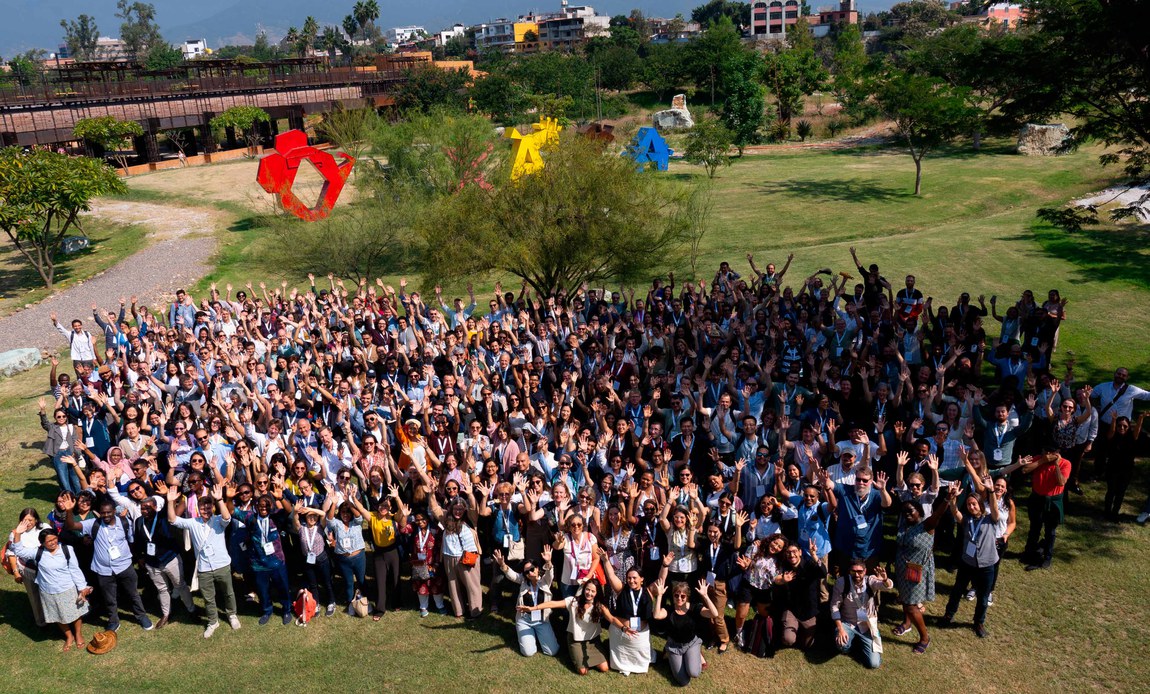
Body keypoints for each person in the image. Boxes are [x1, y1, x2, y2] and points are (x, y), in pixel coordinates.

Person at [60, 494, 153, 632]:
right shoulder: (94, 524)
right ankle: (114, 621)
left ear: (114, 511)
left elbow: (131, 542)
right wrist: (68, 511)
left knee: (133, 594)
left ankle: (141, 616)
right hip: (103, 570)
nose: (106, 515)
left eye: (109, 512)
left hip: (124, 566)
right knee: (109, 598)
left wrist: (137, 558)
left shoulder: (124, 523)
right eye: (103, 513)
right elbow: (71, 525)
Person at [166, 483, 241, 637]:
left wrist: (220, 499)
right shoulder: (193, 523)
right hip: (204, 567)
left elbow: (227, 517)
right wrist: (170, 502)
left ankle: (232, 615)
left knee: (228, 593)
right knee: (208, 597)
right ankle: (213, 621)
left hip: (222, 564)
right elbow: (172, 520)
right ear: (198, 510)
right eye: (202, 509)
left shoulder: (219, 519)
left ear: (212, 508)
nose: (205, 511)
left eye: (208, 508)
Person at [9, 520, 91, 651]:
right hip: (48, 591)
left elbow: (75, 569)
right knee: (57, 615)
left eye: (54, 539)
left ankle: (78, 634)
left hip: (67, 588)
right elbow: (19, 551)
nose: (53, 542)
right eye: (49, 541)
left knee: (75, 613)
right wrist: (18, 534)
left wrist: (82, 587)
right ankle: (69, 636)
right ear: (42, 543)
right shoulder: (38, 552)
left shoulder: (67, 549)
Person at [892, 490, 953, 653]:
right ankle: (906, 624)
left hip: (917, 571)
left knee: (912, 605)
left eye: (910, 511)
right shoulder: (905, 524)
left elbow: (939, 514)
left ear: (919, 511)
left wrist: (947, 498)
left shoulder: (927, 525)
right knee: (905, 599)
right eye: (904, 512)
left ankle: (925, 637)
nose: (906, 515)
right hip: (902, 567)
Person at [942, 484, 1001, 638]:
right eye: (968, 504)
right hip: (967, 563)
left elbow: (995, 508)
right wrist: (953, 498)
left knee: (983, 596)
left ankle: (978, 623)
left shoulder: (990, 519)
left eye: (974, 504)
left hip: (987, 565)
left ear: (980, 504)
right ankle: (948, 615)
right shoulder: (966, 520)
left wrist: (991, 491)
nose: (971, 506)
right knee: (957, 591)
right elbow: (955, 511)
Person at [133, 488, 193, 629]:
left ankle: (191, 609)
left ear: (155, 507)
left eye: (148, 508)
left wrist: (168, 498)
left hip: (170, 559)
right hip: (152, 563)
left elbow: (169, 510)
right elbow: (138, 541)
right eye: (142, 508)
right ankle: (166, 614)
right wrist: (139, 557)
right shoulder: (138, 522)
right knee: (162, 589)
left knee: (181, 585)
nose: (145, 511)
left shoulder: (162, 517)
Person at [529, 575, 611, 675]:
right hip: (576, 640)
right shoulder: (573, 601)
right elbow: (553, 604)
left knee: (604, 668)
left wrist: (624, 628)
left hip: (592, 640)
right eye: (587, 589)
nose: (589, 593)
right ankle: (576, 655)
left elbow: (612, 619)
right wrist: (533, 608)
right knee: (583, 671)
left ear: (597, 592)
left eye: (593, 591)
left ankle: (587, 658)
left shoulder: (599, 606)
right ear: (584, 589)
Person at [650, 578, 720, 686]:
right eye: (676, 595)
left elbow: (714, 614)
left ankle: (696, 654)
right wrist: (659, 596)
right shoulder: (669, 610)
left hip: (691, 643)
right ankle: (668, 653)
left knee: (694, 672)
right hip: (674, 646)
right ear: (673, 596)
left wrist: (705, 596)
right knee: (683, 681)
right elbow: (656, 615)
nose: (679, 598)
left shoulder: (694, 608)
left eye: (683, 596)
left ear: (687, 597)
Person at [496, 545, 559, 657]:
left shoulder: (545, 581)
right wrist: (502, 564)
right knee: (528, 652)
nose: (529, 573)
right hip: (525, 620)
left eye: (531, 569)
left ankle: (539, 636)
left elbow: (550, 573)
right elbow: (512, 575)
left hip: (541, 620)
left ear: (537, 568)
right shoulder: (524, 581)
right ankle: (528, 635)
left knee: (552, 651)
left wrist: (548, 562)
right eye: (526, 572)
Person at [1017, 444, 1072, 571]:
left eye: (1051, 452)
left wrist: (1056, 465)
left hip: (1053, 502)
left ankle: (1047, 557)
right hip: (1037, 499)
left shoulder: (1065, 463)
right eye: (1046, 451)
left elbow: (1061, 482)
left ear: (1058, 452)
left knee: (1050, 531)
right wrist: (1042, 461)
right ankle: (1029, 553)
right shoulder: (1038, 459)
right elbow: (1024, 470)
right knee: (1034, 528)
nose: (1048, 454)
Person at [830, 559, 893, 668]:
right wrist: (840, 629)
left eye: (860, 571)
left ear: (865, 571)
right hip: (848, 623)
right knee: (842, 645)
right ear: (849, 571)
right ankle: (850, 645)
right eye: (854, 571)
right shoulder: (841, 582)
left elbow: (888, 586)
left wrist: (885, 579)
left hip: (866, 625)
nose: (857, 575)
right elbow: (834, 607)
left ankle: (860, 643)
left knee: (874, 664)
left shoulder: (870, 580)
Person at [602, 553, 656, 676]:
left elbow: (661, 580)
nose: (631, 580)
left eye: (634, 578)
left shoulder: (648, 591)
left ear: (642, 579)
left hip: (640, 635)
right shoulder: (621, 589)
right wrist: (606, 560)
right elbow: (611, 576)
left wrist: (665, 565)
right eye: (629, 578)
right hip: (621, 633)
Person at [772, 538, 827, 651]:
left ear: (800, 552)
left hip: (809, 611)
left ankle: (802, 631)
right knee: (788, 640)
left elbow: (823, 572)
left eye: (794, 552)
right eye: (788, 552)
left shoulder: (810, 564)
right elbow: (775, 581)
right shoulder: (784, 566)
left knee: (807, 645)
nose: (792, 555)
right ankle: (789, 629)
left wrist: (814, 555)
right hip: (792, 609)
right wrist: (783, 580)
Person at [367, 486, 408, 619]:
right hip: (379, 553)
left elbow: (403, 513)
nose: (384, 507)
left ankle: (397, 602)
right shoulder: (372, 516)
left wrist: (397, 497)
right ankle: (379, 609)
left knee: (396, 578)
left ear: (390, 508)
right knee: (380, 581)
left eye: (386, 506)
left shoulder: (393, 517)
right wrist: (351, 500)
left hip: (393, 552)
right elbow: (361, 510)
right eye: (381, 505)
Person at [8, 507, 52, 627]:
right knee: (34, 595)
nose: (27, 523)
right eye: (24, 520)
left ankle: (54, 617)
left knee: (50, 592)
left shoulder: (45, 528)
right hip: (28, 570)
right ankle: (41, 621)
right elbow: (11, 553)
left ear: (36, 520)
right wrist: (16, 572)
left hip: (47, 568)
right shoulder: (15, 533)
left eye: (30, 520)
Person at [1102, 414, 1145, 521]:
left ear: (1128, 427)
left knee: (1121, 492)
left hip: (1126, 470)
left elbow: (1138, 429)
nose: (1122, 428)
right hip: (1112, 468)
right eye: (1119, 426)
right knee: (1111, 491)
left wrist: (1141, 417)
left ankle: (1115, 512)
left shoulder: (1132, 437)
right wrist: (1113, 419)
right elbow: (1111, 431)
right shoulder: (1112, 436)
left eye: (1125, 426)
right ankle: (1107, 512)